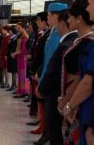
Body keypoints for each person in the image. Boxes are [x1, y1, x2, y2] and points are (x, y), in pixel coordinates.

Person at [37, 9, 78, 145]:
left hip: (57, 93)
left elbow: (54, 70)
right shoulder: (69, 41)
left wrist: (42, 88)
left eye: (49, 16)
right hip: (60, 92)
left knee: (57, 131)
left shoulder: (66, 44)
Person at [57, 0, 94, 145]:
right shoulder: (81, 41)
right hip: (80, 102)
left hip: (86, 104)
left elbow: (85, 80)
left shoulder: (88, 43)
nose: (87, 9)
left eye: (91, 4)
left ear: (79, 19)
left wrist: (68, 104)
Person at [33, 3, 67, 144]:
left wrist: (43, 84)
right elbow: (47, 58)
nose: (47, 18)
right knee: (50, 120)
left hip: (54, 84)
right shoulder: (53, 32)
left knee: (54, 123)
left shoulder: (59, 34)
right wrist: (39, 73)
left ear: (56, 15)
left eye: (48, 15)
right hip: (47, 78)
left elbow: (53, 63)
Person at [12, 22, 29, 98]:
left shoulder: (24, 36)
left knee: (22, 74)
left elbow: (24, 49)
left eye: (19, 28)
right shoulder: (20, 36)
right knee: (20, 73)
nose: (17, 29)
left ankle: (24, 91)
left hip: (22, 57)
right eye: (17, 27)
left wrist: (15, 53)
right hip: (19, 57)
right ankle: (20, 90)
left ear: (23, 28)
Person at [7, 26, 18, 91]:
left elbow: (13, 47)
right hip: (10, 56)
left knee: (13, 71)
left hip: (13, 56)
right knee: (12, 71)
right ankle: (13, 84)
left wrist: (12, 53)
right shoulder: (11, 38)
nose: (9, 32)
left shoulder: (15, 38)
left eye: (10, 31)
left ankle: (14, 85)